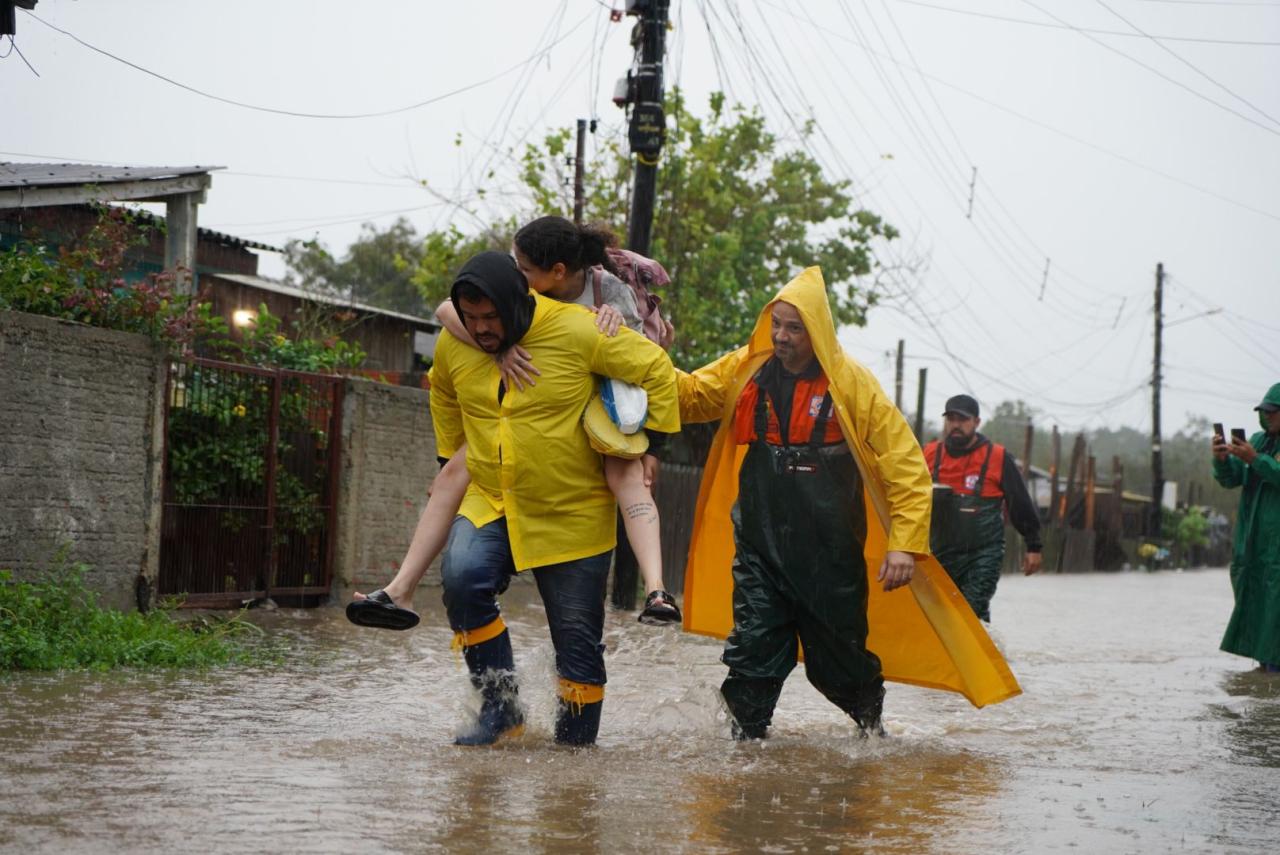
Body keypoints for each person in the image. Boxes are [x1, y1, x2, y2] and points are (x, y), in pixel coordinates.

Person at [675, 267, 1021, 741]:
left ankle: (872, 732)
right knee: (753, 652)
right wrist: (637, 355)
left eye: (794, 328)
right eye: (776, 324)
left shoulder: (851, 383)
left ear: (816, 330)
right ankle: (746, 752)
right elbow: (690, 396)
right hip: (759, 546)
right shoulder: (747, 369)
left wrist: (904, 544)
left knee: (838, 663)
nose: (781, 336)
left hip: (831, 553)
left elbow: (904, 463)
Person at [350, 217, 681, 626]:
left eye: (523, 267)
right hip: (537, 405)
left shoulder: (609, 290)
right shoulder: (518, 294)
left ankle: (656, 590)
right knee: (454, 470)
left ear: (557, 271)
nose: (515, 272)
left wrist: (653, 446)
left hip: (602, 399)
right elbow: (446, 311)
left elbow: (647, 358)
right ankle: (400, 589)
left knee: (629, 477)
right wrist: (498, 349)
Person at [426, 250, 678, 747]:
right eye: (470, 317)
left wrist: (653, 446)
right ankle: (501, 711)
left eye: (490, 317)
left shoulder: (578, 330)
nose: (480, 328)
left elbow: (656, 368)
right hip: (495, 501)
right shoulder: (457, 342)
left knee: (578, 651)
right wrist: (447, 456)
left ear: (516, 302)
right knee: (462, 578)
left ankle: (575, 760)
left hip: (573, 513)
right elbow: (443, 393)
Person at [921, 395, 1043, 623]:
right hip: (938, 554)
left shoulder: (998, 457)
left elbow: (1020, 503)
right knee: (935, 617)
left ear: (976, 422)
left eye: (962, 420)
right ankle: (986, 642)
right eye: (951, 419)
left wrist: (1033, 545)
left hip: (983, 555)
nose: (956, 425)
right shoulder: (927, 454)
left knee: (971, 611)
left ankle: (977, 640)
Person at [1212, 383, 1280, 673]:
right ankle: (1265, 684)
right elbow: (1231, 479)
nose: (1268, 416)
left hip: (1277, 552)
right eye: (1265, 411)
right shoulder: (1257, 441)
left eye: (1273, 411)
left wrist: (1256, 459)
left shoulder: (1256, 452)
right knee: (1257, 613)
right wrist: (1222, 460)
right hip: (1252, 550)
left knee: (1276, 614)